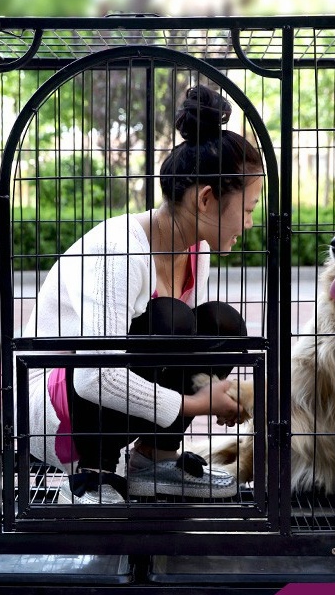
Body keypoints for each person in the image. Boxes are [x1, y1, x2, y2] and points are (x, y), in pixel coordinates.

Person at [21, 84, 264, 504]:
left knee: (220, 324)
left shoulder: (196, 252)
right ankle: (92, 478)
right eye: (247, 209)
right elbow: (95, 376)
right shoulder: (121, 249)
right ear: (206, 199)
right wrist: (199, 404)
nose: (248, 223)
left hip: (100, 396)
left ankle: (155, 463)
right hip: (54, 412)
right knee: (169, 319)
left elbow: (177, 357)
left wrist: (219, 392)